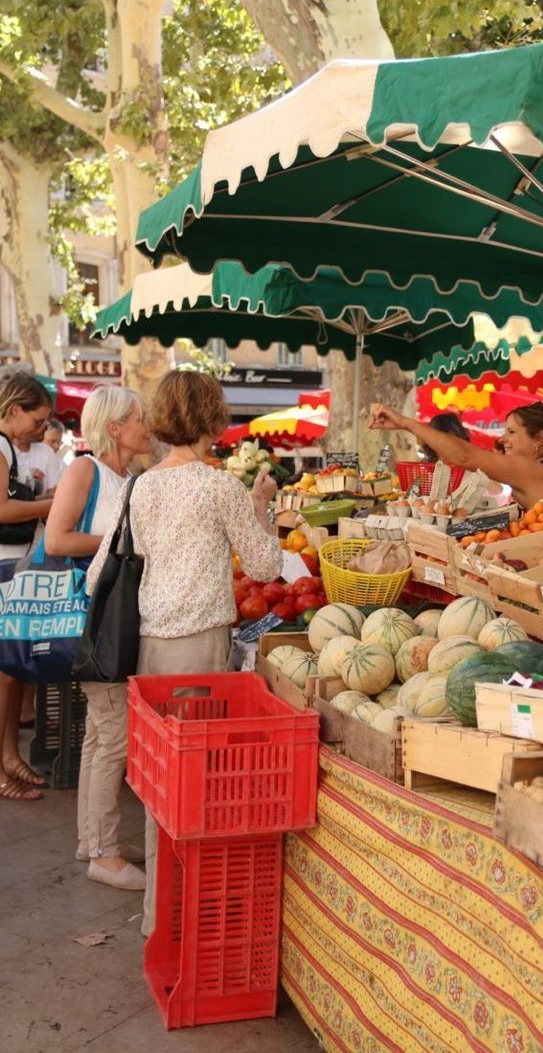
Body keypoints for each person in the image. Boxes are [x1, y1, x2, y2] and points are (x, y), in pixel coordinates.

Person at [86, 371, 282, 927]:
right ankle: (189, 914)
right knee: (199, 782)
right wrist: (261, 504)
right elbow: (267, 565)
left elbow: (101, 571)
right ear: (212, 418)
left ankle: (158, 915)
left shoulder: (141, 485)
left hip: (147, 650)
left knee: (159, 781)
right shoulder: (218, 486)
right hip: (198, 650)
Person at [46, 385, 152, 888]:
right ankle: (104, 853)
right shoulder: (84, 470)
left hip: (111, 615)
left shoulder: (127, 476)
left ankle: (94, 840)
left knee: (100, 733)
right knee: (113, 734)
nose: (147, 426)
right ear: (115, 427)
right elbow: (57, 539)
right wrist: (124, 546)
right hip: (94, 617)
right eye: (139, 418)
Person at [0, 373, 54, 801]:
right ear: (14, 409)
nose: (42, 429)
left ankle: (9, 756)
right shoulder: (0, 446)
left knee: (12, 672)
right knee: (3, 674)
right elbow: (1, 509)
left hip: (11, 564)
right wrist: (53, 503)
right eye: (37, 421)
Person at [370, 400, 543, 511]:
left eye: (511, 432)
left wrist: (407, 423)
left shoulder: (531, 471)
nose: (502, 439)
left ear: (538, 439)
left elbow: (465, 456)